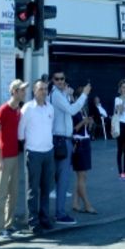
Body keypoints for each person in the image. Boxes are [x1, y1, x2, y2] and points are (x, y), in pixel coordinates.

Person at [50, 72, 90, 225]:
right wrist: (84, 94)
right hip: (60, 140)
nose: (60, 81)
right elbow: (72, 110)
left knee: (63, 178)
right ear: (53, 81)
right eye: (57, 79)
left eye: (63, 79)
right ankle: (59, 213)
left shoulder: (60, 94)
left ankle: (58, 212)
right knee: (63, 178)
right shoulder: (57, 95)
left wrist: (68, 94)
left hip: (63, 139)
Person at [19, 81, 56, 234]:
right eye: (41, 89)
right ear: (34, 91)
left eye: (46, 89)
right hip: (33, 153)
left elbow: (51, 128)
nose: (44, 91)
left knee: (46, 188)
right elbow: (20, 131)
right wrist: (28, 146)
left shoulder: (50, 108)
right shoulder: (27, 108)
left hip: (48, 152)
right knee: (33, 189)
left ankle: (45, 218)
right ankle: (33, 222)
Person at [0, 80, 27, 239]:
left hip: (14, 155)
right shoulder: (3, 110)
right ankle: (0, 228)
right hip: (4, 157)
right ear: (14, 91)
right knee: (2, 192)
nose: (24, 92)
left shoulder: (18, 110)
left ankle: (9, 224)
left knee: (13, 192)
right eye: (21, 90)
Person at [71, 101, 96, 214]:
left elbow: (85, 129)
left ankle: (76, 203)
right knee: (82, 175)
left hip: (85, 142)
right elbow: (73, 129)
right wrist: (83, 122)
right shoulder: (73, 111)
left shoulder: (82, 110)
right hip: (79, 143)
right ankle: (87, 204)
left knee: (82, 176)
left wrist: (89, 123)